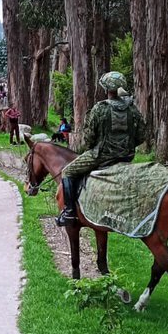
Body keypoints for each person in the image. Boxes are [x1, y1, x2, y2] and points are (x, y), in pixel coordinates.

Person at [57, 71, 145, 226]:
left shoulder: (100, 108)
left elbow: (89, 139)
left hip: (101, 155)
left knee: (67, 172)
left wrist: (92, 147)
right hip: (126, 156)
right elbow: (141, 136)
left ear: (106, 89)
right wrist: (127, 147)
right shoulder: (132, 109)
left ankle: (70, 212)